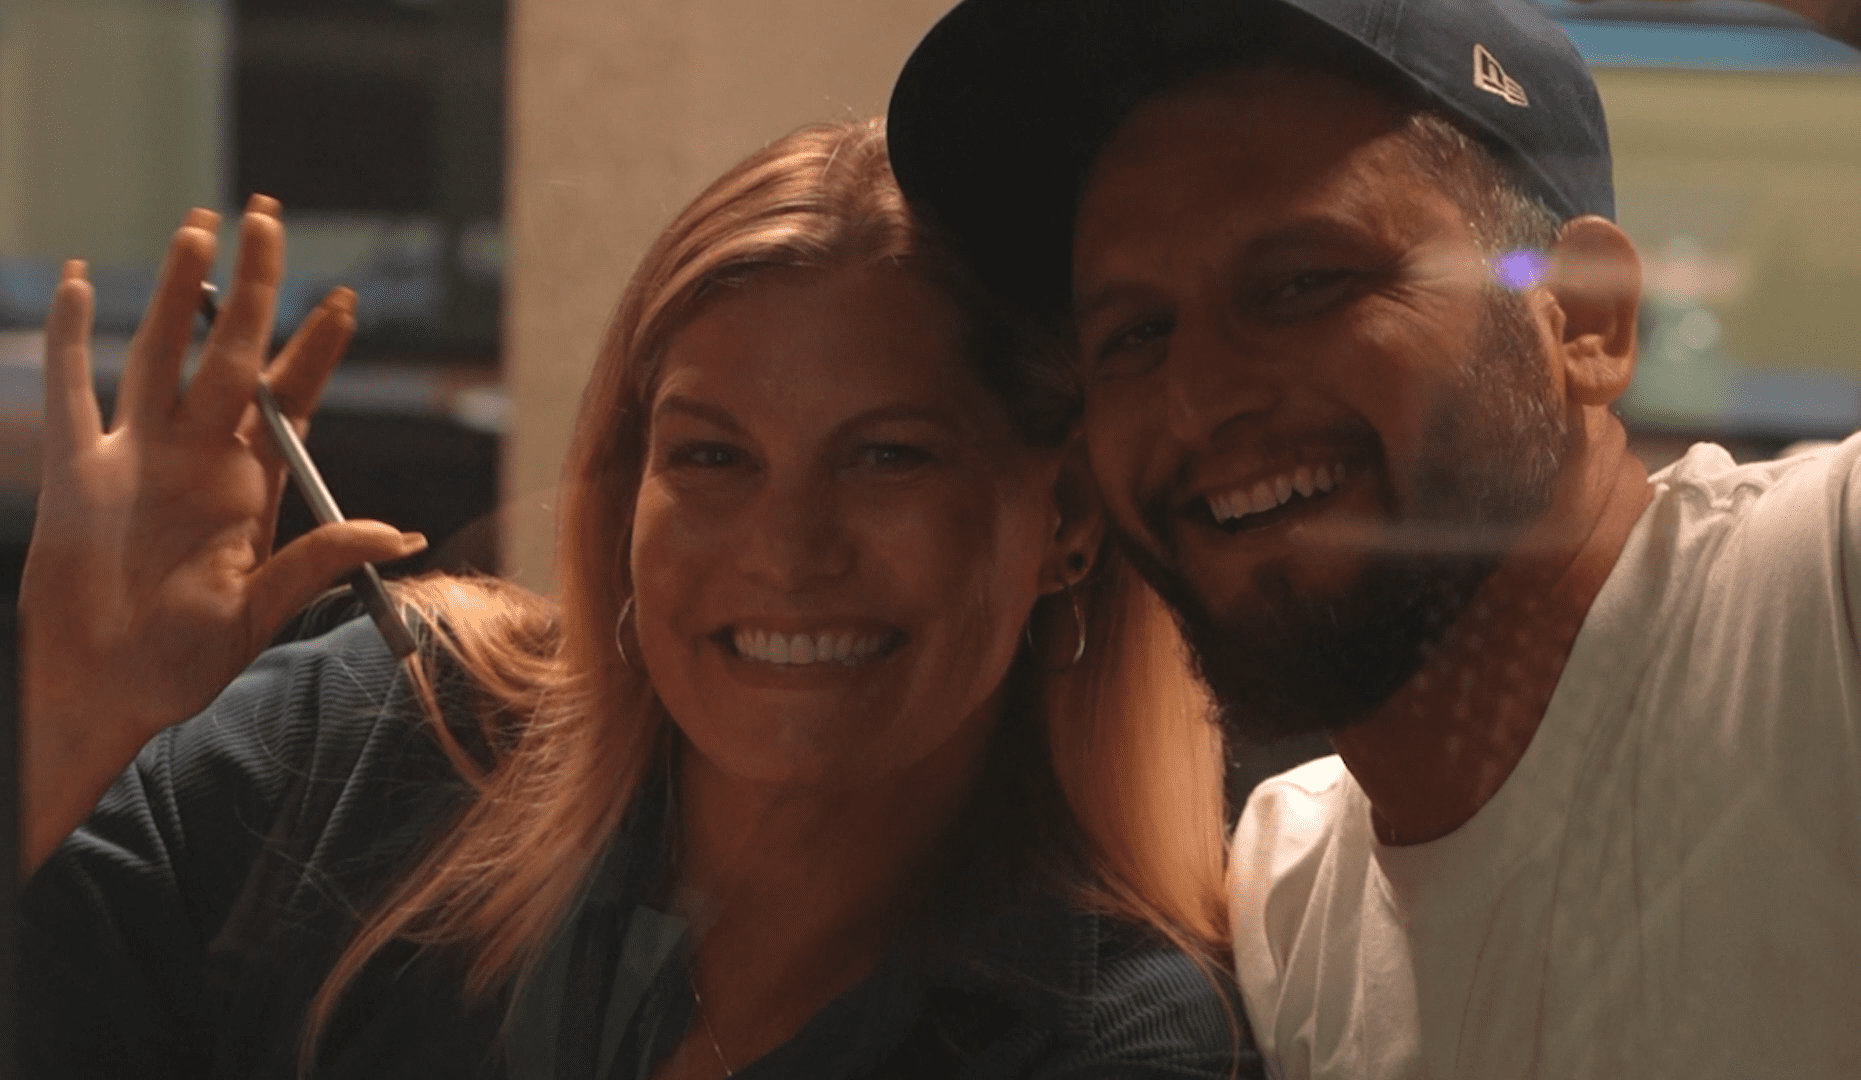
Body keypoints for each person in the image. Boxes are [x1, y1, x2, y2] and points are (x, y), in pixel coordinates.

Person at [19, 119, 1260, 1078]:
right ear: (627, 498)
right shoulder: (366, 743)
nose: (787, 550)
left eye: (889, 456)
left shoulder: (1114, 1033)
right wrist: (64, 720)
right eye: (711, 456)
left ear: (1067, 518)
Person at [886, 0, 1861, 1077]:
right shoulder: (1292, 894)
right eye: (1135, 335)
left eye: (1304, 284)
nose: (1199, 401)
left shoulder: (1857, 584)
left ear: (1583, 319)